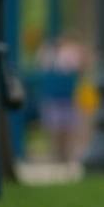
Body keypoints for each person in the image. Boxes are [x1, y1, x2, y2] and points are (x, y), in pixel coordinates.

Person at [36, 31, 86, 163]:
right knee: (55, 128)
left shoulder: (71, 56)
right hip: (54, 97)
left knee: (68, 128)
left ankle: (66, 155)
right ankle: (57, 155)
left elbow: (81, 68)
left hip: (68, 98)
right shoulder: (49, 55)